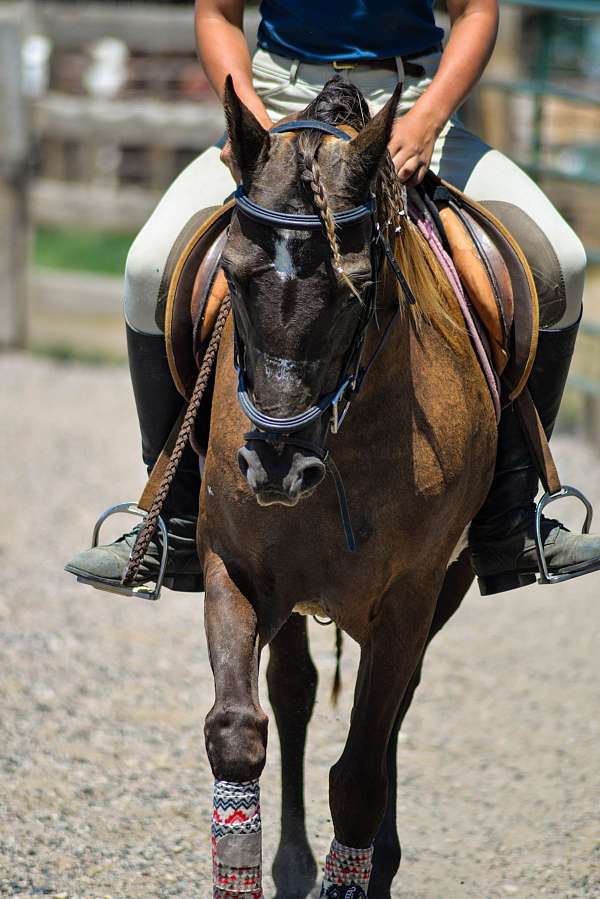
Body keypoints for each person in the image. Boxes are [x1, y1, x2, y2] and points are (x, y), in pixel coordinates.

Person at [65, 0, 600, 596]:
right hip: (278, 102)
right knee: (147, 267)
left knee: (562, 259)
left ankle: (510, 518)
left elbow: (475, 11)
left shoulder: (422, 115)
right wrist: (245, 112)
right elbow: (217, 13)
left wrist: (428, 118)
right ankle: (175, 519)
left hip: (410, 104)